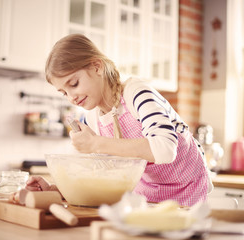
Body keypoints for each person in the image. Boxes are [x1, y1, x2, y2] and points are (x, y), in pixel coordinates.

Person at [25, 34, 213, 207]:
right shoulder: (93, 117)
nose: (71, 97)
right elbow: (104, 176)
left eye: (74, 84)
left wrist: (96, 144)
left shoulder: (137, 93)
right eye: (64, 92)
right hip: (148, 193)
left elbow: (165, 149)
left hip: (188, 187)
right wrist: (56, 190)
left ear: (96, 66)